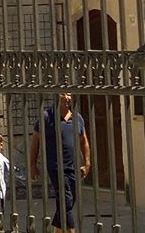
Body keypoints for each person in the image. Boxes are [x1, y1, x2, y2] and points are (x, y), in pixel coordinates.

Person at [29, 93, 90, 233]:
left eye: (69, 94)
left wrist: (87, 163)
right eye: (63, 93)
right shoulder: (47, 117)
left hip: (73, 167)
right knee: (66, 200)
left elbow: (84, 141)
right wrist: (33, 165)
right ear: (56, 95)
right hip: (56, 168)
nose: (67, 97)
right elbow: (35, 142)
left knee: (68, 201)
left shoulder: (77, 118)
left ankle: (57, 230)